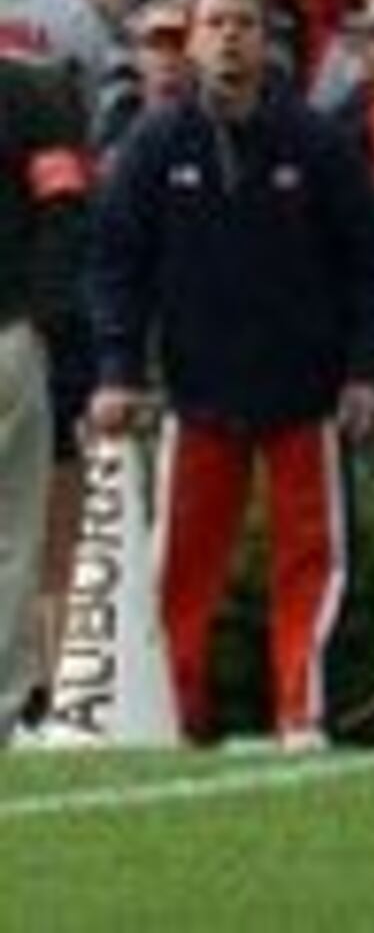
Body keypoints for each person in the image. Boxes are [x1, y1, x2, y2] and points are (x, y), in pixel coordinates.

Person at [83, 0, 374, 748]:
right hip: (198, 396)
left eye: (245, 24)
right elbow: (115, 265)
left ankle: (302, 714)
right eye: (216, 23)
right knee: (181, 571)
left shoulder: (316, 141)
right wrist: (120, 371)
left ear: (269, 41)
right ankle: (174, 719)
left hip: (306, 393)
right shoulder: (154, 143)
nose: (230, 37)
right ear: (191, 41)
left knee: (310, 562)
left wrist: (369, 370)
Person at [0, 49, 90, 736]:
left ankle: (6, 706)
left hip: (8, 330)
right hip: (12, 330)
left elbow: (64, 206)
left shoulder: (30, 88)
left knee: (13, 533)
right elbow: (64, 205)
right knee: (12, 534)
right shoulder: (33, 88)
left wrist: (39, 315)